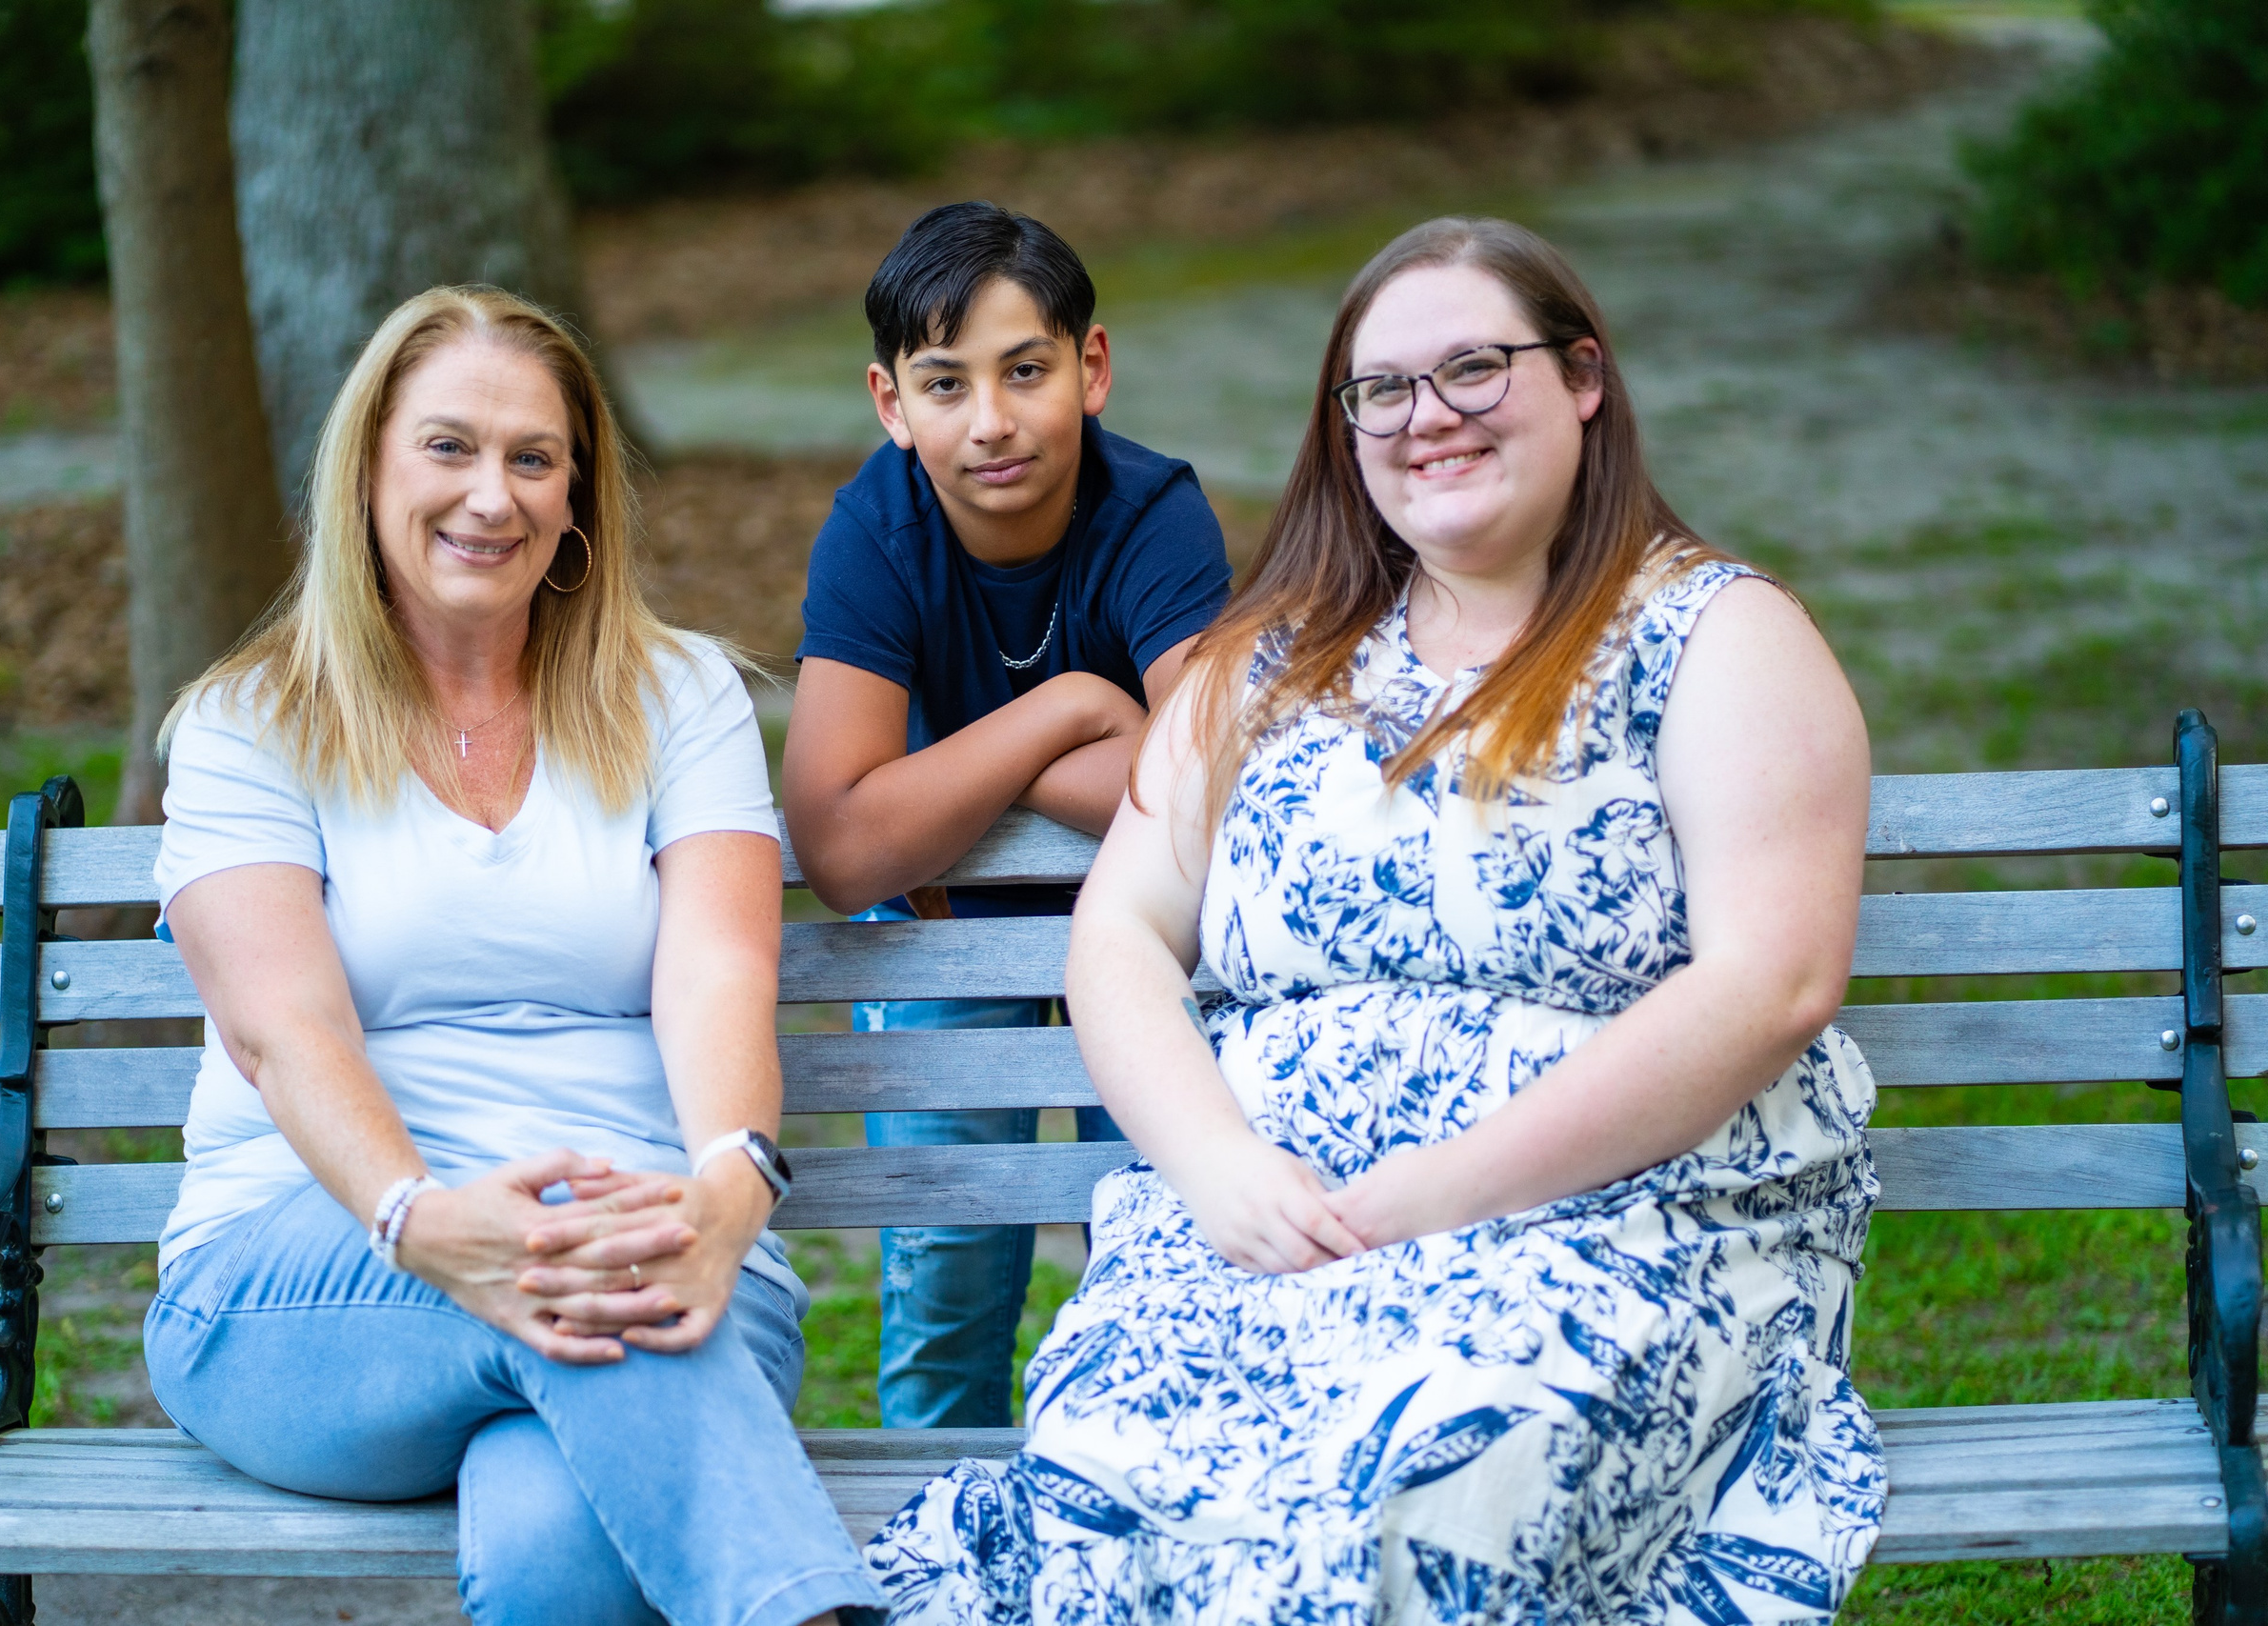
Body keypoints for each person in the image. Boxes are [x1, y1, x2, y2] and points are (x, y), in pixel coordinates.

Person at [866, 217, 1885, 1622]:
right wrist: (1218, 1170)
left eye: (1474, 368)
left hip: (1613, 1228)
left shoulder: (1714, 636)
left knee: (1423, 1489)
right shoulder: (1266, 663)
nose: (1428, 417)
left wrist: (1436, 1196)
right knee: (1112, 1486)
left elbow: (1773, 984)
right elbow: (1122, 937)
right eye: (1383, 389)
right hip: (1267, 1232)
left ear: (1584, 377)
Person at [140, 286, 886, 1626]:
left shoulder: (681, 698)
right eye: (450, 447)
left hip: (670, 1260)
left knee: (561, 1544)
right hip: (309, 1275)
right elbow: (284, 1029)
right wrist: (423, 1222)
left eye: (534, 458)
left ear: (577, 496)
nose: (493, 496)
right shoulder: (250, 724)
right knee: (596, 1286)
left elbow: (719, 974)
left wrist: (730, 1191)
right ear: (366, 469)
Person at [783, 202, 1234, 1429]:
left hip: (1136, 928)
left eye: (1025, 371)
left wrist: (946, 778)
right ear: (891, 403)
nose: (989, 420)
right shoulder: (876, 530)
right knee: (944, 1288)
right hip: (937, 937)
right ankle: (936, 1522)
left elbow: (1206, 794)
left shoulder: (1154, 514)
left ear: (1091, 368)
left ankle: (1136, 1491)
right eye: (945, 384)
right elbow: (841, 846)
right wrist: (1068, 713)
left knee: (1158, 1253)